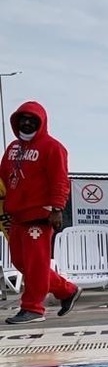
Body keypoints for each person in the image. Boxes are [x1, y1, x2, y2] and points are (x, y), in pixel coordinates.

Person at [1, 101, 81, 324]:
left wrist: (57, 209)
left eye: (32, 120)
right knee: (21, 262)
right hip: (16, 216)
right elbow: (4, 178)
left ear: (41, 122)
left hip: (40, 215)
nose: (26, 123)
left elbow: (60, 180)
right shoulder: (13, 148)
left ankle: (33, 309)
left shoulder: (53, 147)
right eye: (22, 119)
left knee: (36, 264)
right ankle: (67, 290)